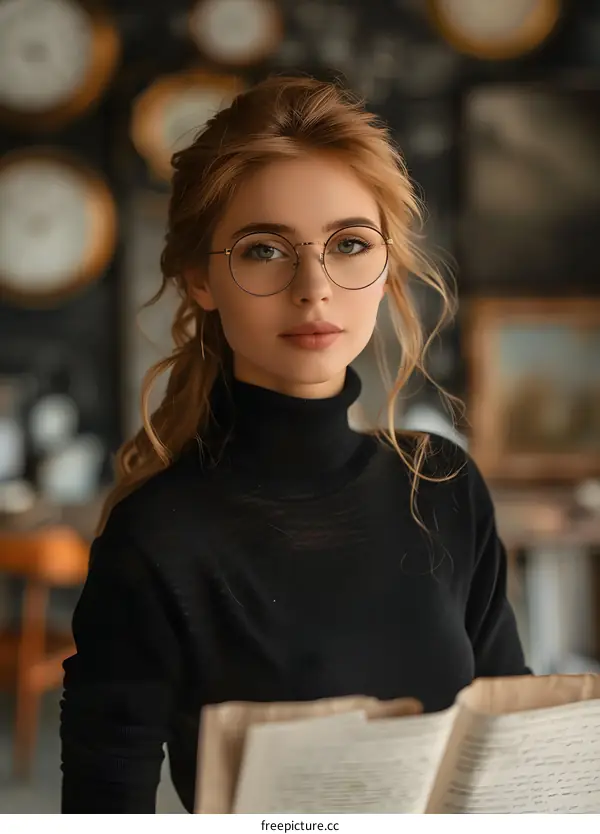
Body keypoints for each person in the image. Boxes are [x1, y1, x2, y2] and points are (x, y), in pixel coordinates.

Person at [60, 75, 529, 814]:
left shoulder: (442, 485)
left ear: (387, 267)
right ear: (200, 279)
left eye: (350, 244)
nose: (314, 287)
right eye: (263, 250)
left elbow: (511, 756)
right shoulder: (156, 536)